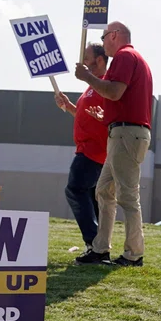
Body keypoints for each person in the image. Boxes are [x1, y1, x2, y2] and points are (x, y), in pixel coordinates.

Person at [72, 21, 154, 267]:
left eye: (104, 35)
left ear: (114, 36)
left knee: (127, 195)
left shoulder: (124, 56)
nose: (103, 40)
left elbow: (114, 91)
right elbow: (121, 98)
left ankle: (133, 254)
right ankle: (100, 249)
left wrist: (86, 77)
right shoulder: (131, 57)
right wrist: (105, 117)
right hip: (124, 132)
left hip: (127, 134)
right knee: (104, 190)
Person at [54, 43, 109, 254]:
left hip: (93, 151)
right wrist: (68, 106)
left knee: (75, 189)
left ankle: (94, 242)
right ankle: (98, 244)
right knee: (89, 196)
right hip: (87, 149)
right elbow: (86, 115)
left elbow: (107, 117)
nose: (83, 63)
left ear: (100, 60)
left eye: (86, 58)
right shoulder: (91, 87)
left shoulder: (105, 85)